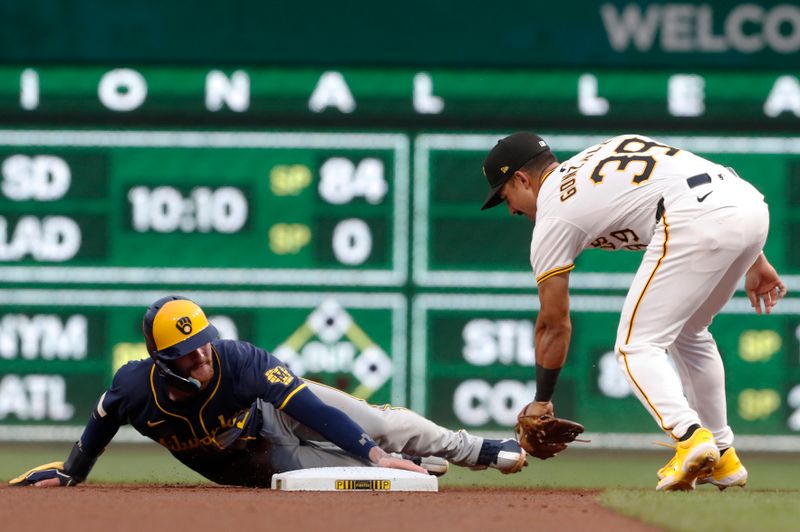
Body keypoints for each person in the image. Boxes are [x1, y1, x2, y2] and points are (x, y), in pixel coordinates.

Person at [480, 132, 786, 491]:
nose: (512, 209)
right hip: (747, 205)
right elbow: (686, 177)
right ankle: (722, 456)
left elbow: (553, 324)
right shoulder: (602, 154)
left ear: (521, 178)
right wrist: (753, 255)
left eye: (505, 197)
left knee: (635, 346)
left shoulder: (554, 214)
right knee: (690, 333)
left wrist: (542, 399)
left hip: (696, 215)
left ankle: (690, 437)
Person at [10, 296, 526, 488]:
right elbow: (103, 418)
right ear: (164, 363)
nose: (203, 356)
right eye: (188, 353)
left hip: (271, 416)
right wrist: (71, 470)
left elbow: (306, 405)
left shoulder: (238, 361)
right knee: (362, 479)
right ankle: (403, 467)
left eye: (204, 344)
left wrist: (372, 449)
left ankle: (477, 449)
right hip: (252, 466)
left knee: (381, 426)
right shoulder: (135, 388)